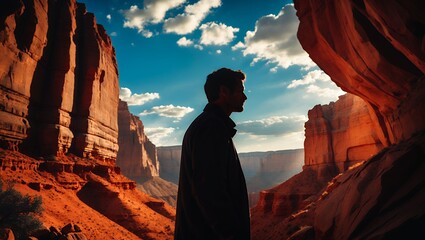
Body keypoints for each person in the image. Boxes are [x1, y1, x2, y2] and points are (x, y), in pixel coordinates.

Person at [174, 68, 250, 240]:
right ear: (223, 92)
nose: (244, 97)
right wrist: (232, 235)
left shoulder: (211, 125)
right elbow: (209, 190)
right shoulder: (211, 128)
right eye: (240, 91)